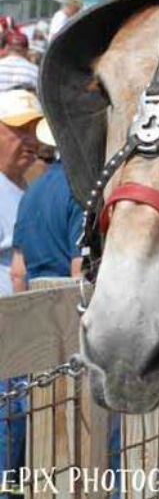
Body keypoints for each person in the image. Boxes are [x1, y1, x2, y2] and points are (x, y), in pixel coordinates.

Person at [0, 88, 45, 483]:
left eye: (33, 129)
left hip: (22, 344)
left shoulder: (25, 191)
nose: (30, 140)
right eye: (18, 130)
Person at [11, 120, 83, 292]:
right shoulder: (81, 191)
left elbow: (17, 273)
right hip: (67, 307)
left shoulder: (30, 192)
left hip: (34, 306)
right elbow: (79, 270)